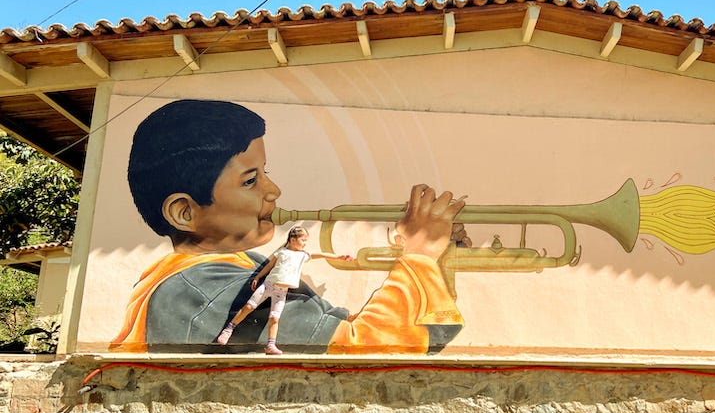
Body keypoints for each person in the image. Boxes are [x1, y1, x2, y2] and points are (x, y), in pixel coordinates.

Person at [110, 99, 465, 355]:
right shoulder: (209, 292)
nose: (274, 190)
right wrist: (418, 254)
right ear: (184, 212)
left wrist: (435, 260)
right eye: (250, 180)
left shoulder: (242, 268)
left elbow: (369, 330)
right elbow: (366, 348)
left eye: (265, 173)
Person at [216, 225, 351, 355]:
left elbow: (321, 254)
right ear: (293, 239)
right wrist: (258, 277)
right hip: (268, 285)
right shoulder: (282, 252)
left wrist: (338, 257)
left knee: (274, 318)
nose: (305, 243)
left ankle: (270, 345)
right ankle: (228, 329)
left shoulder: (303, 255)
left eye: (306, 241)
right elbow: (269, 266)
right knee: (249, 307)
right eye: (303, 240)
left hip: (281, 292)